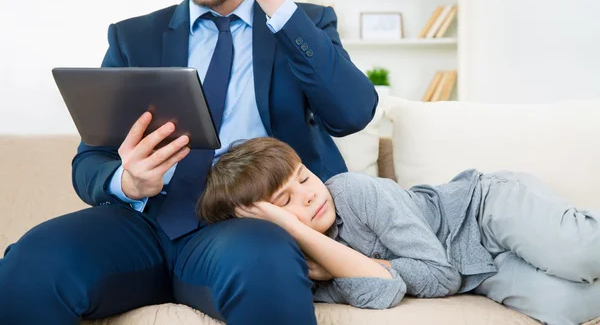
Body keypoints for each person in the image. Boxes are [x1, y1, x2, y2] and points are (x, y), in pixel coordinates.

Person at [0, 0, 377, 324]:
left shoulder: (302, 23)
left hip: (247, 225)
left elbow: (352, 113)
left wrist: (274, 1)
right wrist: (128, 182)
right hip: (144, 223)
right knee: (33, 259)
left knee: (265, 260)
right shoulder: (133, 38)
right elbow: (90, 162)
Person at [199, 137, 600, 325]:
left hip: (482, 210)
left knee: (580, 253)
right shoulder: (305, 271)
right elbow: (386, 291)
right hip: (482, 270)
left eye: (304, 178)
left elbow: (439, 275)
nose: (307, 197)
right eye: (285, 204)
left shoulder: (354, 191)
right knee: (571, 305)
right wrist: (312, 244)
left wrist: (304, 233)